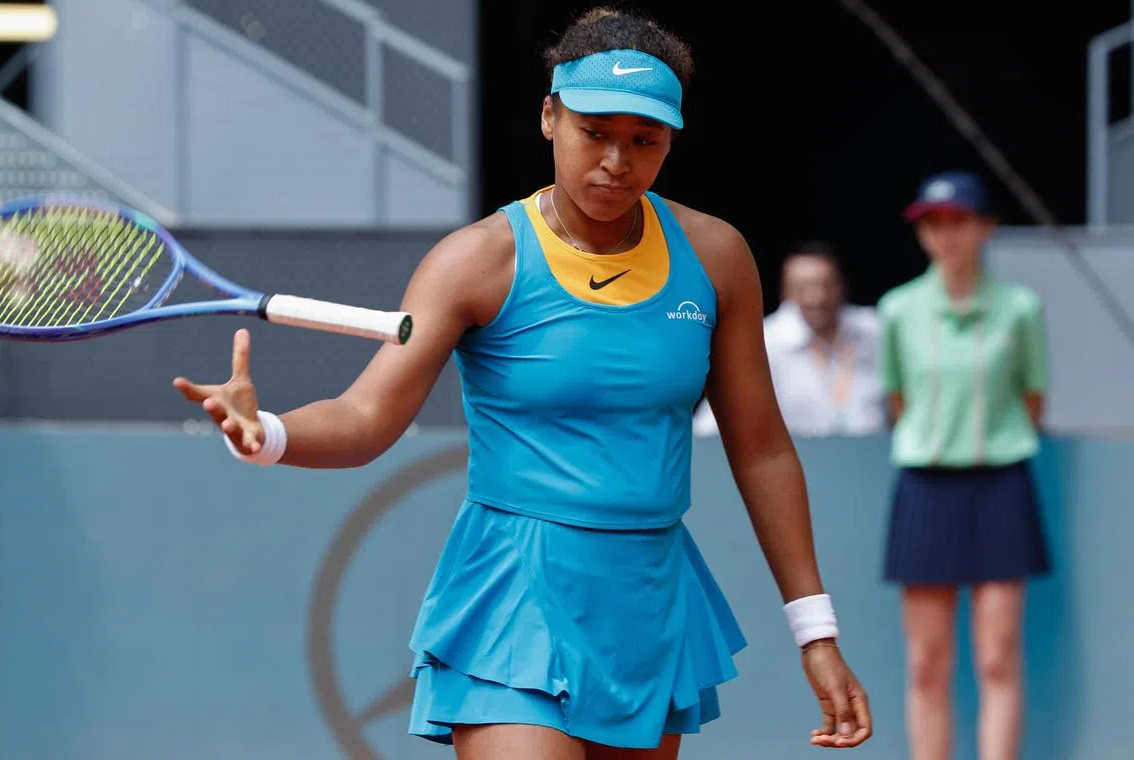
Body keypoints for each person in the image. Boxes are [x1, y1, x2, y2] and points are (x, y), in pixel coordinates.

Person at [173, 7, 872, 758]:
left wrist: (816, 632)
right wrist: (267, 434)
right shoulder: (476, 261)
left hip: (646, 596)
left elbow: (761, 450)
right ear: (549, 118)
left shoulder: (716, 255)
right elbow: (366, 415)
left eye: (645, 140)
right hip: (515, 587)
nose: (616, 161)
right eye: (594, 132)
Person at [878, 170, 1051, 760]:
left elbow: (1033, 397)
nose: (945, 235)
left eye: (958, 222)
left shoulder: (1020, 309)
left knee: (998, 654)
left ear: (985, 228)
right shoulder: (898, 310)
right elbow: (897, 400)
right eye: (933, 224)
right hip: (925, 487)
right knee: (927, 661)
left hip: (1001, 484)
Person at [693, 242, 885, 437]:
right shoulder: (764, 342)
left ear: (842, 285)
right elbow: (709, 427)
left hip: (876, 458)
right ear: (785, 291)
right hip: (799, 461)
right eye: (803, 288)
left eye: (826, 285)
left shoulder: (876, 331)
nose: (817, 297)